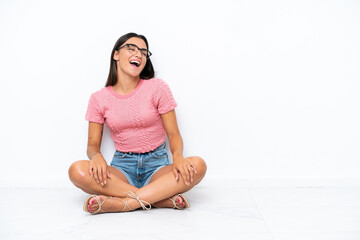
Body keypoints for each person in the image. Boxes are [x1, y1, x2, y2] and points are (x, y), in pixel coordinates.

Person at [68, 32, 207, 214]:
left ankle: (124, 203)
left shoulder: (158, 88)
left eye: (143, 52)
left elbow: (173, 135)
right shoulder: (98, 99)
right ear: (115, 54)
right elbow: (92, 146)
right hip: (122, 168)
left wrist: (179, 158)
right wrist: (97, 157)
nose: (138, 54)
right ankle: (158, 199)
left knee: (198, 165)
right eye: (131, 48)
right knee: (77, 170)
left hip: (157, 166)